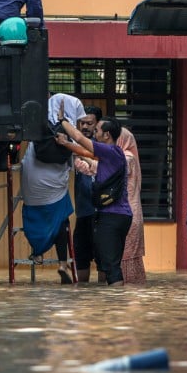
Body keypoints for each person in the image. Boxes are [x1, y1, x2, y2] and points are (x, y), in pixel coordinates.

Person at [57, 114, 132, 285]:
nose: (94, 131)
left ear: (107, 135)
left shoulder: (110, 150)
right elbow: (84, 151)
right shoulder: (112, 153)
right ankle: (111, 305)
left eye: (97, 129)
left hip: (112, 216)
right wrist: (66, 144)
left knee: (111, 267)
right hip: (119, 215)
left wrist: (62, 120)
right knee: (110, 264)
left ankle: (116, 305)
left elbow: (79, 138)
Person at [20, 94, 83, 284]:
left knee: (33, 213)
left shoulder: (39, 120)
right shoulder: (69, 127)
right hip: (55, 179)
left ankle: (37, 253)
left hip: (33, 177)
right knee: (61, 219)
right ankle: (63, 264)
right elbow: (78, 148)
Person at [71, 105, 103, 282]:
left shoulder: (106, 148)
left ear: (97, 124)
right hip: (83, 212)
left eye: (89, 123)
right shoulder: (74, 147)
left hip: (102, 213)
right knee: (81, 257)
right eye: (81, 123)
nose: (84, 127)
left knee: (103, 260)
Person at [116, 127, 147, 284]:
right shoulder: (126, 157)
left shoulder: (127, 158)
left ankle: (127, 291)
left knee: (126, 256)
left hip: (128, 214)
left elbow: (114, 169)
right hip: (129, 212)